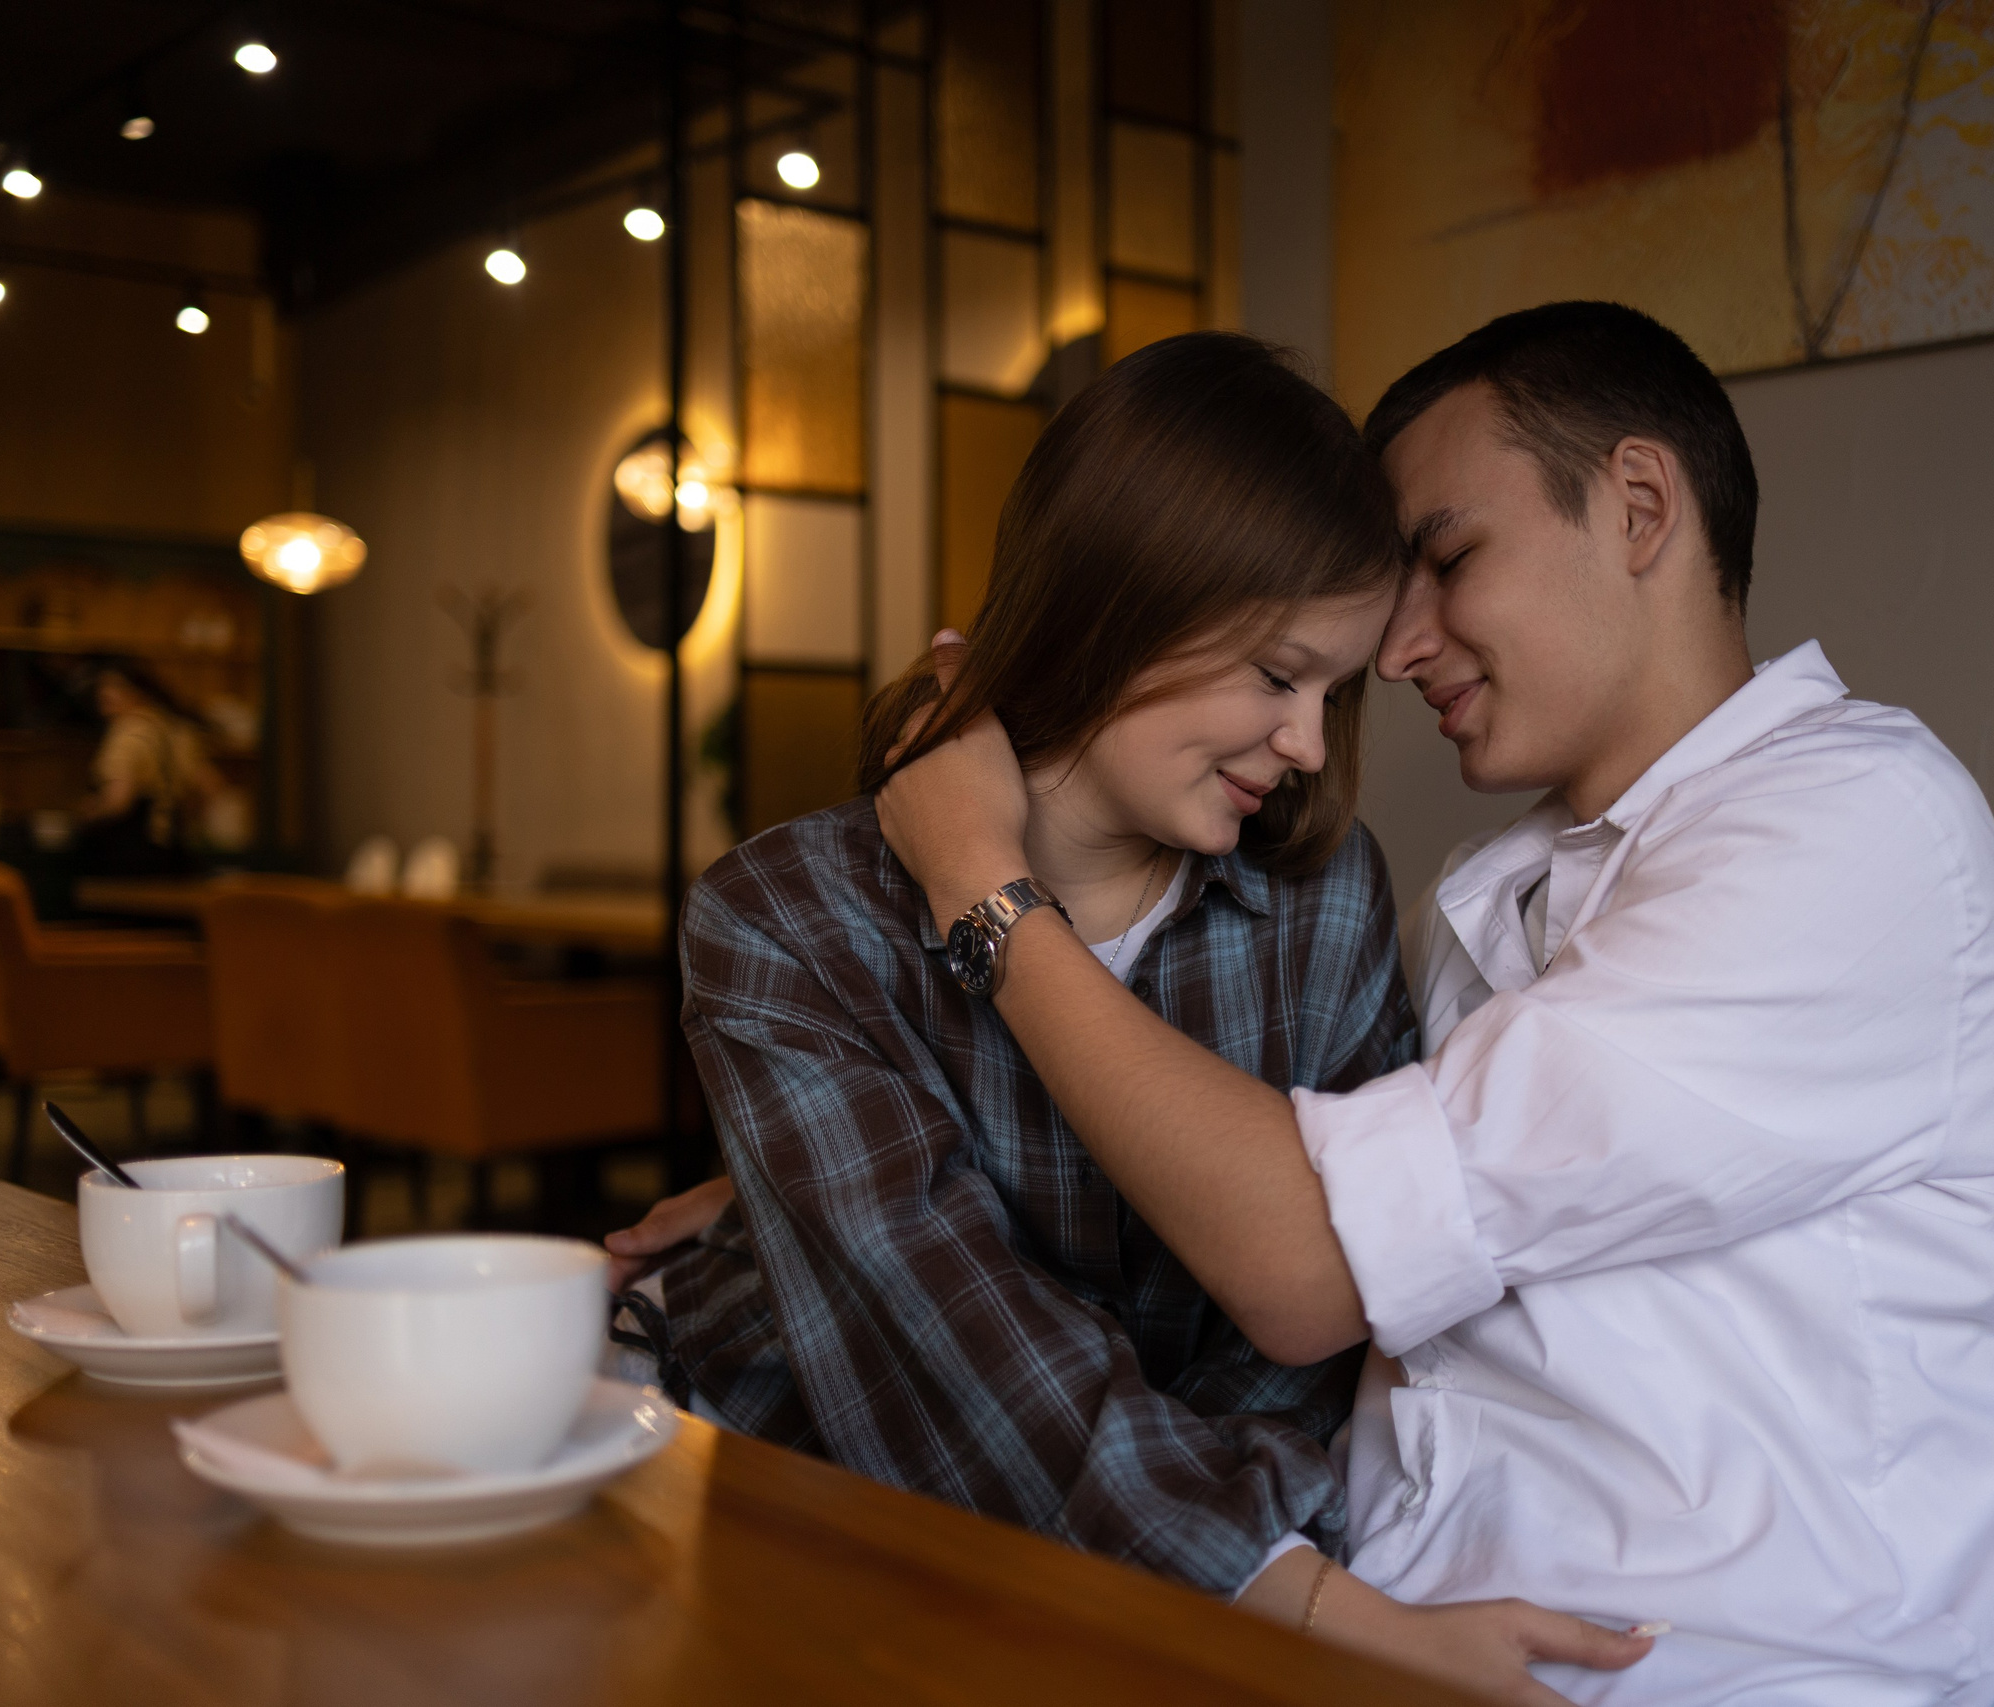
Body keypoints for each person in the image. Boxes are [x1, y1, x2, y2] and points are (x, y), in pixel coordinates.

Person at [869, 303, 1994, 1705]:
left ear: (1639, 506)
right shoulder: (1495, 892)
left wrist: (980, 879)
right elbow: (1230, 1154)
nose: (1396, 648)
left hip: (1729, 1667)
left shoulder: (1851, 825)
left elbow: (1307, 1261)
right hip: (1386, 1617)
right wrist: (902, 1126)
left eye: (1447, 561)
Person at [607, 332, 1654, 1700]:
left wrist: (1233, 1570)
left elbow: (1318, 1336)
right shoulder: (782, 918)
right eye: (1280, 674)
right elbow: (945, 1351)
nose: (1302, 744)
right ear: (1123, 599)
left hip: (1170, 1579)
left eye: (1330, 693)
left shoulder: (1324, 901)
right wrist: (1298, 1595)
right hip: (806, 1531)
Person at [75, 662, 216, 876]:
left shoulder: (127, 734)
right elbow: (210, 787)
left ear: (139, 692)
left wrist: (90, 812)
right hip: (172, 852)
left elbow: (118, 801)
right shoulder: (175, 730)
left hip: (126, 852)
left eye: (117, 687)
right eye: (102, 686)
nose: (105, 693)